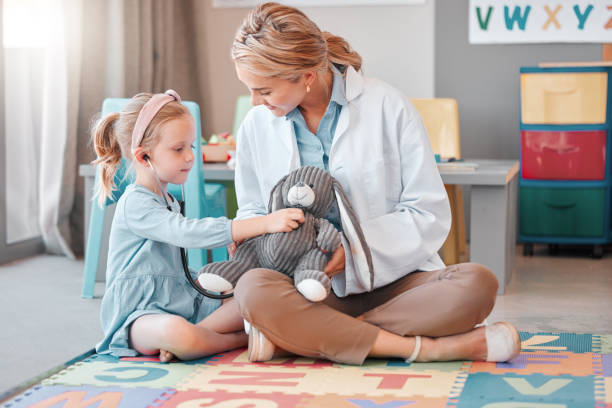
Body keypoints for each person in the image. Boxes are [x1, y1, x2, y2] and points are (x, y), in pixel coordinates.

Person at [229, 2, 521, 365]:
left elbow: (426, 213)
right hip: (307, 285)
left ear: (305, 76)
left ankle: (311, 336)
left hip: (396, 282)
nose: (256, 102)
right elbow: (254, 211)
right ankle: (426, 347)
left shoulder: (388, 106)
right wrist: (253, 241)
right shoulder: (257, 125)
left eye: (265, 91)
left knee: (477, 284)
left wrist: (350, 253)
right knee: (253, 291)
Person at [92, 90, 304, 362]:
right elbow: (186, 232)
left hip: (182, 300)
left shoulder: (166, 198)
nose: (190, 157)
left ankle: (201, 336)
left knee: (254, 296)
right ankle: (241, 338)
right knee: (176, 332)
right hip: (140, 314)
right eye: (178, 149)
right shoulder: (135, 203)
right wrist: (261, 224)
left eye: (190, 147)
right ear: (144, 157)